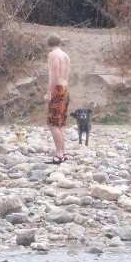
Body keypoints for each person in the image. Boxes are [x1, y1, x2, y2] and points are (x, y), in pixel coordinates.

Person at [44, 34, 71, 164]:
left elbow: (54, 75)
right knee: (59, 123)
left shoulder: (53, 55)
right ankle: (63, 152)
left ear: (49, 44)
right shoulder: (66, 55)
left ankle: (58, 154)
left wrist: (49, 92)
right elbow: (67, 74)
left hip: (57, 89)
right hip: (66, 88)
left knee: (52, 123)